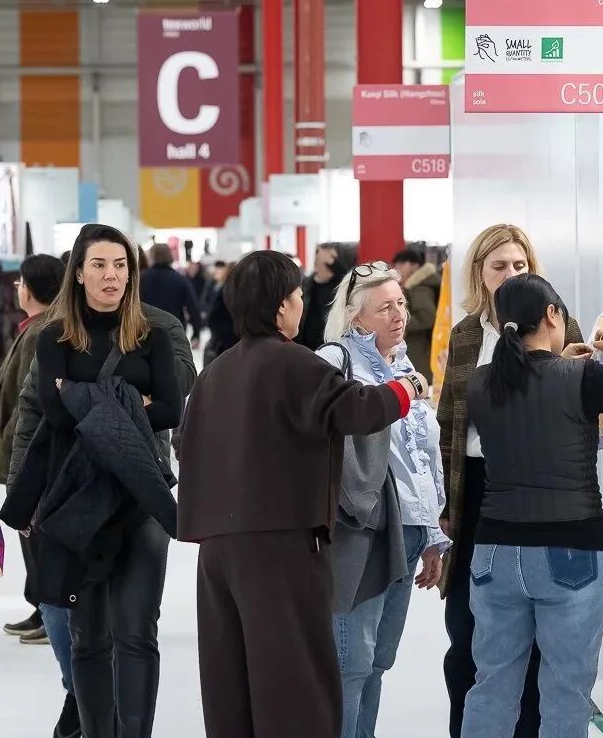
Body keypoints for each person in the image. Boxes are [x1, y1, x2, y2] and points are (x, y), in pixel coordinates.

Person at [177, 250, 427, 738]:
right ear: (279, 306)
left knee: (231, 678)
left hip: (218, 552)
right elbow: (358, 410)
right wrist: (409, 388)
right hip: (282, 544)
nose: (301, 304)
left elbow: (186, 446)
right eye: (296, 296)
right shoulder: (296, 364)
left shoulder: (214, 374)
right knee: (294, 682)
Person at [1, 224, 183, 738]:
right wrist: (130, 400)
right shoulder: (54, 338)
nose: (111, 275)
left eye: (120, 265)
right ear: (78, 273)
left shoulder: (153, 335)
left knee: (137, 634)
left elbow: (171, 409)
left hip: (139, 497)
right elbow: (55, 414)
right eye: (99, 265)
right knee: (89, 639)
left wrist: (85, 395)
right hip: (78, 499)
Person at [462, 275, 603, 737]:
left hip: (493, 554)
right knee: (566, 694)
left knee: (491, 687)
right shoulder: (582, 378)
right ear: (552, 314)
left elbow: (533, 396)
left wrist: (560, 366)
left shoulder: (480, 383)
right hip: (570, 551)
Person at [438, 224, 585, 738]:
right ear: (479, 272)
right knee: (466, 632)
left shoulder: (558, 325)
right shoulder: (465, 335)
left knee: (538, 639)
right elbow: (449, 426)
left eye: (519, 265)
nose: (509, 274)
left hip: (539, 492)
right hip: (476, 488)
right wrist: (445, 507)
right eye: (499, 266)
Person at [316, 262, 449, 738]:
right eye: (385, 308)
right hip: (361, 531)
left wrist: (431, 535)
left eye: (401, 304)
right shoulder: (334, 362)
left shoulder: (406, 367)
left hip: (408, 531)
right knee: (350, 661)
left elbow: (423, 458)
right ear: (355, 317)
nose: (399, 315)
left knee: (377, 661)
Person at [0, 255, 66, 649]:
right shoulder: (35, 328)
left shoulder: (40, 333)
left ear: (30, 289)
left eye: (20, 283)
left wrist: (13, 448)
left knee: (37, 532)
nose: (16, 289)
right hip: (26, 451)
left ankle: (49, 610)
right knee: (32, 533)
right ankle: (42, 607)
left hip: (30, 453)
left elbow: (31, 402)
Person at [139, 243, 204, 349]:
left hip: (144, 332)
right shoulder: (180, 280)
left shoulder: (141, 279)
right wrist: (196, 333)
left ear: (151, 256)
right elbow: (193, 308)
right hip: (173, 332)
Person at [393, 248, 441, 379]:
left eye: (402, 264)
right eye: (396, 265)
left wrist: (401, 322)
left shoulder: (420, 287)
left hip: (422, 349)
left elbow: (427, 317)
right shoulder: (420, 284)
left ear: (415, 266)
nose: (397, 269)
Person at [297, 242, 349, 350]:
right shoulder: (307, 283)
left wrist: (332, 261)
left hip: (329, 343)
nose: (317, 260)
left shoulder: (338, 285)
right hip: (306, 343)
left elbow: (347, 277)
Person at [203, 260, 238, 366]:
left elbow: (213, 315)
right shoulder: (234, 291)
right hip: (231, 336)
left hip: (225, 337)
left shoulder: (224, 289)